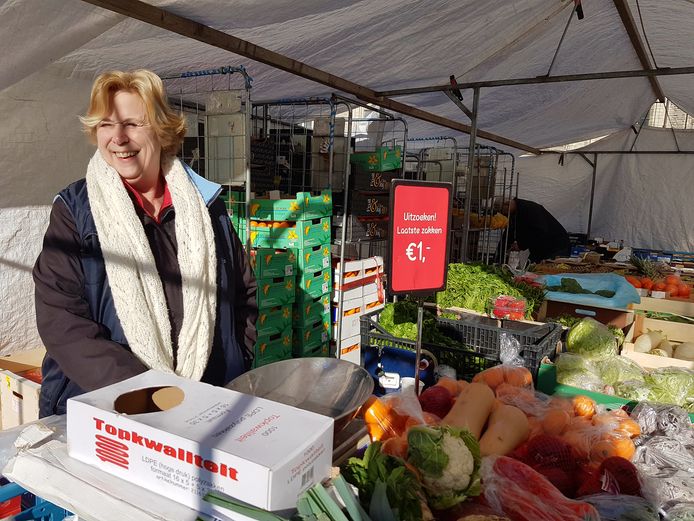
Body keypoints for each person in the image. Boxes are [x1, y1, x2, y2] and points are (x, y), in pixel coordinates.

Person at [33, 70, 257, 417]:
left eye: (133, 124)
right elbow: (61, 322)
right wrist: (152, 397)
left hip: (205, 407)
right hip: (105, 411)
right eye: (106, 124)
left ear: (162, 130)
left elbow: (242, 295)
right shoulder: (75, 211)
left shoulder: (206, 206)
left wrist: (235, 363)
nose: (118, 138)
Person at [503, 197, 571, 263]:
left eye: (500, 209)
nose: (501, 213)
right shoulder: (514, 213)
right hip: (540, 248)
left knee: (543, 269)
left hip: (555, 247)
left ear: (507, 204)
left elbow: (540, 230)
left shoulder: (530, 209)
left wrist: (521, 245)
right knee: (529, 268)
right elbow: (508, 234)